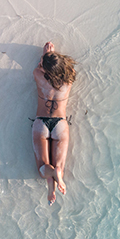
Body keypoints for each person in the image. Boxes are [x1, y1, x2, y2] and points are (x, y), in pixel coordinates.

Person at [32, 42, 76, 205]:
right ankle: (56, 175)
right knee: (60, 166)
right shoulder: (69, 78)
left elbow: (41, 67)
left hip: (41, 123)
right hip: (60, 124)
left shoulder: (37, 74)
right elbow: (64, 68)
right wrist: (52, 58)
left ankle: (51, 180)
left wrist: (45, 55)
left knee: (42, 168)